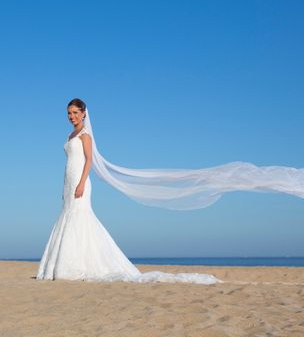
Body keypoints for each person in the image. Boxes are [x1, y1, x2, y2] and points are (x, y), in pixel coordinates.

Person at [35, 98, 221, 284]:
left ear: (84, 113)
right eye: (69, 113)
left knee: (80, 218)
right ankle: (62, 264)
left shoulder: (85, 136)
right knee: (69, 216)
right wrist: (65, 187)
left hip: (80, 181)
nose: (72, 116)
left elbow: (89, 160)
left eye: (75, 112)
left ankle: (76, 266)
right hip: (69, 182)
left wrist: (82, 183)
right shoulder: (70, 136)